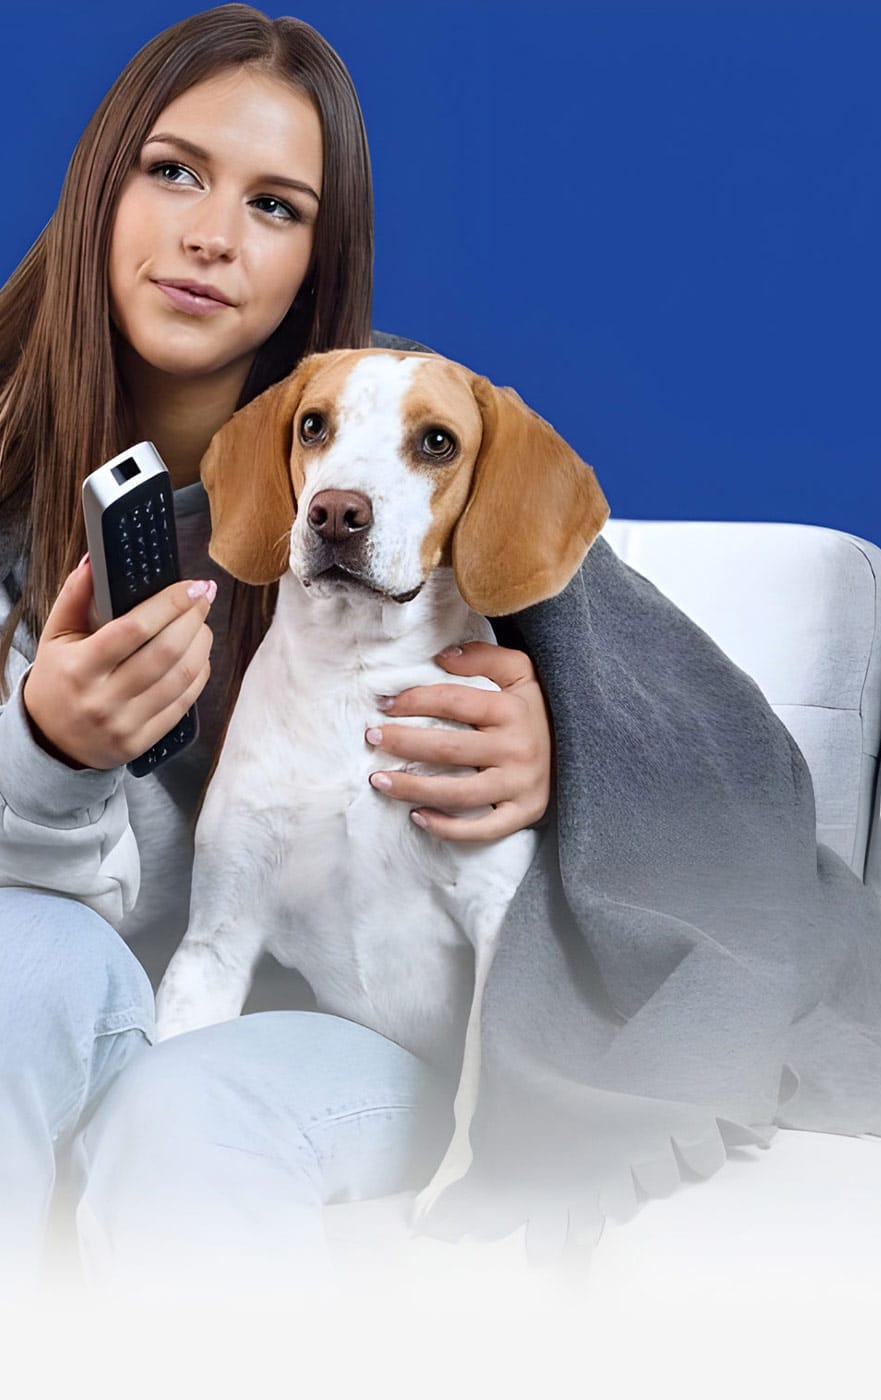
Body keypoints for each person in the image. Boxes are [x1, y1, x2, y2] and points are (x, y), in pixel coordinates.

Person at [0, 2, 553, 1295]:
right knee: (22, 967)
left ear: (319, 255)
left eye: (276, 206)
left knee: (187, 1114)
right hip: (64, 973)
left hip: (316, 1027)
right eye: (174, 170)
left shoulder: (417, 444)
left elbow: (655, 720)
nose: (209, 235)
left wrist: (551, 747)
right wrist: (44, 750)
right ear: (102, 183)